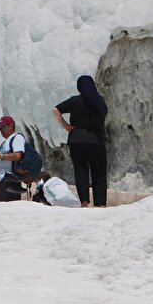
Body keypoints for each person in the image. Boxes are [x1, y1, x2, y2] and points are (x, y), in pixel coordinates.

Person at [53, 75, 108, 207]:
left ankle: (84, 202)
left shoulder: (75, 101)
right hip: (96, 140)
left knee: (81, 170)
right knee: (99, 171)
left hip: (77, 139)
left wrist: (66, 126)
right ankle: (100, 204)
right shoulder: (99, 101)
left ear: (79, 88)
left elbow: (55, 110)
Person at [0, 116, 27, 202]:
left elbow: (18, 155)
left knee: (9, 211)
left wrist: (0, 156)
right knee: (4, 210)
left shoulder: (17, 137)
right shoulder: (5, 143)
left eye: (3, 127)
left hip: (11, 179)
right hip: (3, 180)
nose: (1, 131)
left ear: (11, 126)